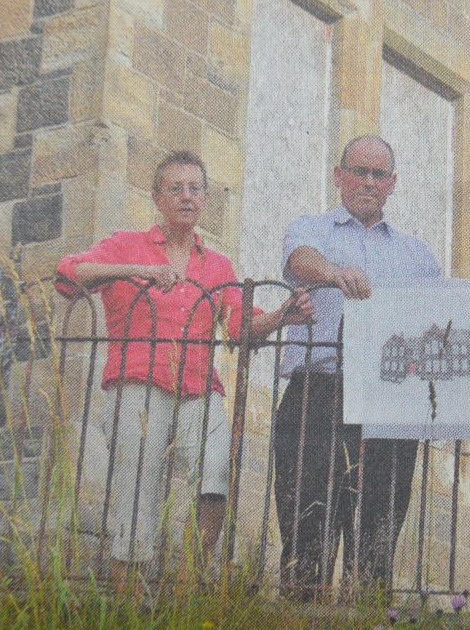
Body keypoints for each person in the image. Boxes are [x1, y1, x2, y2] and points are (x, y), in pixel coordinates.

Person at [56, 150, 313, 593]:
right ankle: (129, 595)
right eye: (175, 188)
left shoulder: (217, 266)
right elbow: (68, 273)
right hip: (137, 381)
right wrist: (140, 270)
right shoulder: (126, 245)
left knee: (216, 472)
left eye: (195, 188)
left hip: (198, 388)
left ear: (206, 199)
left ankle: (187, 583)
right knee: (137, 487)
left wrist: (282, 317)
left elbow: (240, 327)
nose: (186, 196)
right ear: (157, 197)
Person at [275, 135, 442, 599]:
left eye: (379, 174)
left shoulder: (417, 255)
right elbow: (298, 261)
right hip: (319, 390)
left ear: (393, 184)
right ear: (339, 176)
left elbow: (441, 316)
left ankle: (368, 612)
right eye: (359, 171)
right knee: (306, 525)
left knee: (377, 536)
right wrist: (336, 274)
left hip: (390, 402)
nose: (368, 182)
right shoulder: (313, 229)